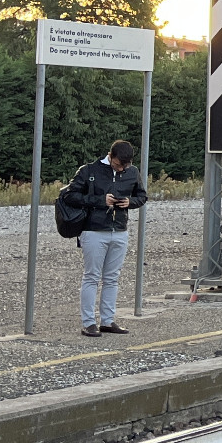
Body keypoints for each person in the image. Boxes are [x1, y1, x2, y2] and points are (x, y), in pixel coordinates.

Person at [60, 140, 148, 337]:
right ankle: (89, 322)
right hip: (93, 230)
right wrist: (100, 200)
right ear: (110, 156)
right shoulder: (89, 170)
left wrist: (130, 202)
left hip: (120, 230)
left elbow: (142, 196)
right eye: (118, 164)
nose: (122, 168)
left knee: (112, 277)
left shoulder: (132, 172)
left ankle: (107, 321)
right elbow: (69, 195)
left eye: (125, 166)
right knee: (91, 276)